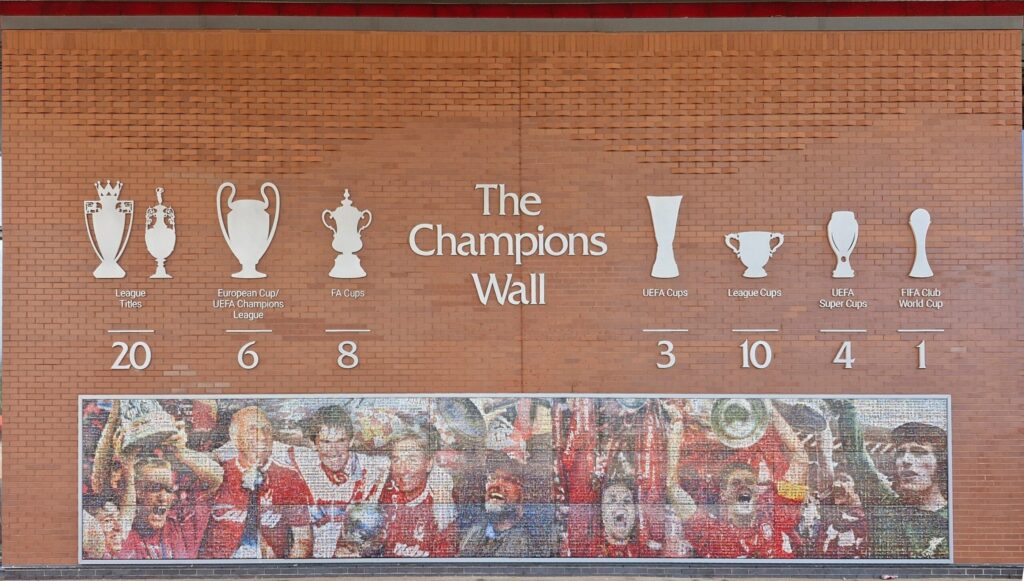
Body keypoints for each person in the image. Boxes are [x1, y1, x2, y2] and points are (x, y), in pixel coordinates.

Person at [683, 402, 809, 559]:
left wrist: (768, 407)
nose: (744, 487)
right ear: (723, 494)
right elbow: (672, 486)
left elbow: (800, 459)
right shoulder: (713, 533)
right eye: (735, 483)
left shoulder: (778, 515)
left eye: (749, 482)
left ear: (757, 490)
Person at [830, 400, 949, 558]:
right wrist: (847, 410)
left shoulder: (953, 520)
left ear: (940, 463)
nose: (905, 460)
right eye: (900, 453)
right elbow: (856, 456)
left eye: (918, 452)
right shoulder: (885, 506)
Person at [201, 406, 313, 559]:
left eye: (266, 429)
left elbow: (302, 541)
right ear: (235, 438)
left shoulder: (289, 478)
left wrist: (283, 571)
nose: (261, 436)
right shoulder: (217, 475)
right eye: (252, 429)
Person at [289, 405, 389, 558]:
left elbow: (414, 458)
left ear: (351, 441)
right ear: (313, 443)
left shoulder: (374, 467)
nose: (334, 450)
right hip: (313, 561)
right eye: (326, 442)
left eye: (341, 441)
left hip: (355, 558)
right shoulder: (302, 461)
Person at [118, 422, 224, 560]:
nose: (163, 497)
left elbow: (216, 478)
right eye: (154, 488)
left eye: (168, 489)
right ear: (137, 492)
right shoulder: (120, 532)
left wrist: (182, 452)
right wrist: (127, 467)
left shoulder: (178, 526)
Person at [378, 425, 458, 557]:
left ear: (428, 464)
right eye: (396, 460)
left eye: (412, 459)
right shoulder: (382, 493)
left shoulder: (441, 508)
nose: (403, 469)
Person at [458, 454, 532, 557]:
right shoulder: (473, 533)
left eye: (507, 480)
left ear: (523, 492)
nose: (496, 485)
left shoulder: (527, 542)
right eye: (492, 478)